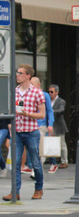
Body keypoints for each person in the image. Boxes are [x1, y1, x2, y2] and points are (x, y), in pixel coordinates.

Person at [3, 64, 46, 201]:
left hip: (31, 132)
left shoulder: (36, 92)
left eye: (20, 73)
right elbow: (9, 111)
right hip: (17, 132)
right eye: (17, 73)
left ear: (28, 75)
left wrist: (29, 114)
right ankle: (15, 192)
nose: (17, 75)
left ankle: (39, 188)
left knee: (35, 163)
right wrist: (10, 127)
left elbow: (42, 115)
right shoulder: (14, 91)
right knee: (15, 164)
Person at [22, 76, 53, 174]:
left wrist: (50, 124)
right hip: (29, 125)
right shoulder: (25, 94)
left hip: (41, 125)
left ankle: (36, 169)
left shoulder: (45, 95)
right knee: (32, 147)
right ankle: (32, 167)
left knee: (40, 147)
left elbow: (49, 110)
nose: (30, 86)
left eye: (32, 84)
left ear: (38, 85)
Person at [48, 84, 69, 169]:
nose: (50, 93)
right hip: (50, 125)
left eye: (52, 92)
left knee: (62, 144)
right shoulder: (47, 100)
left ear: (57, 92)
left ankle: (64, 161)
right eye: (49, 91)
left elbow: (61, 110)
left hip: (58, 125)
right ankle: (52, 161)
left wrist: (51, 111)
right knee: (49, 143)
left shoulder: (61, 101)